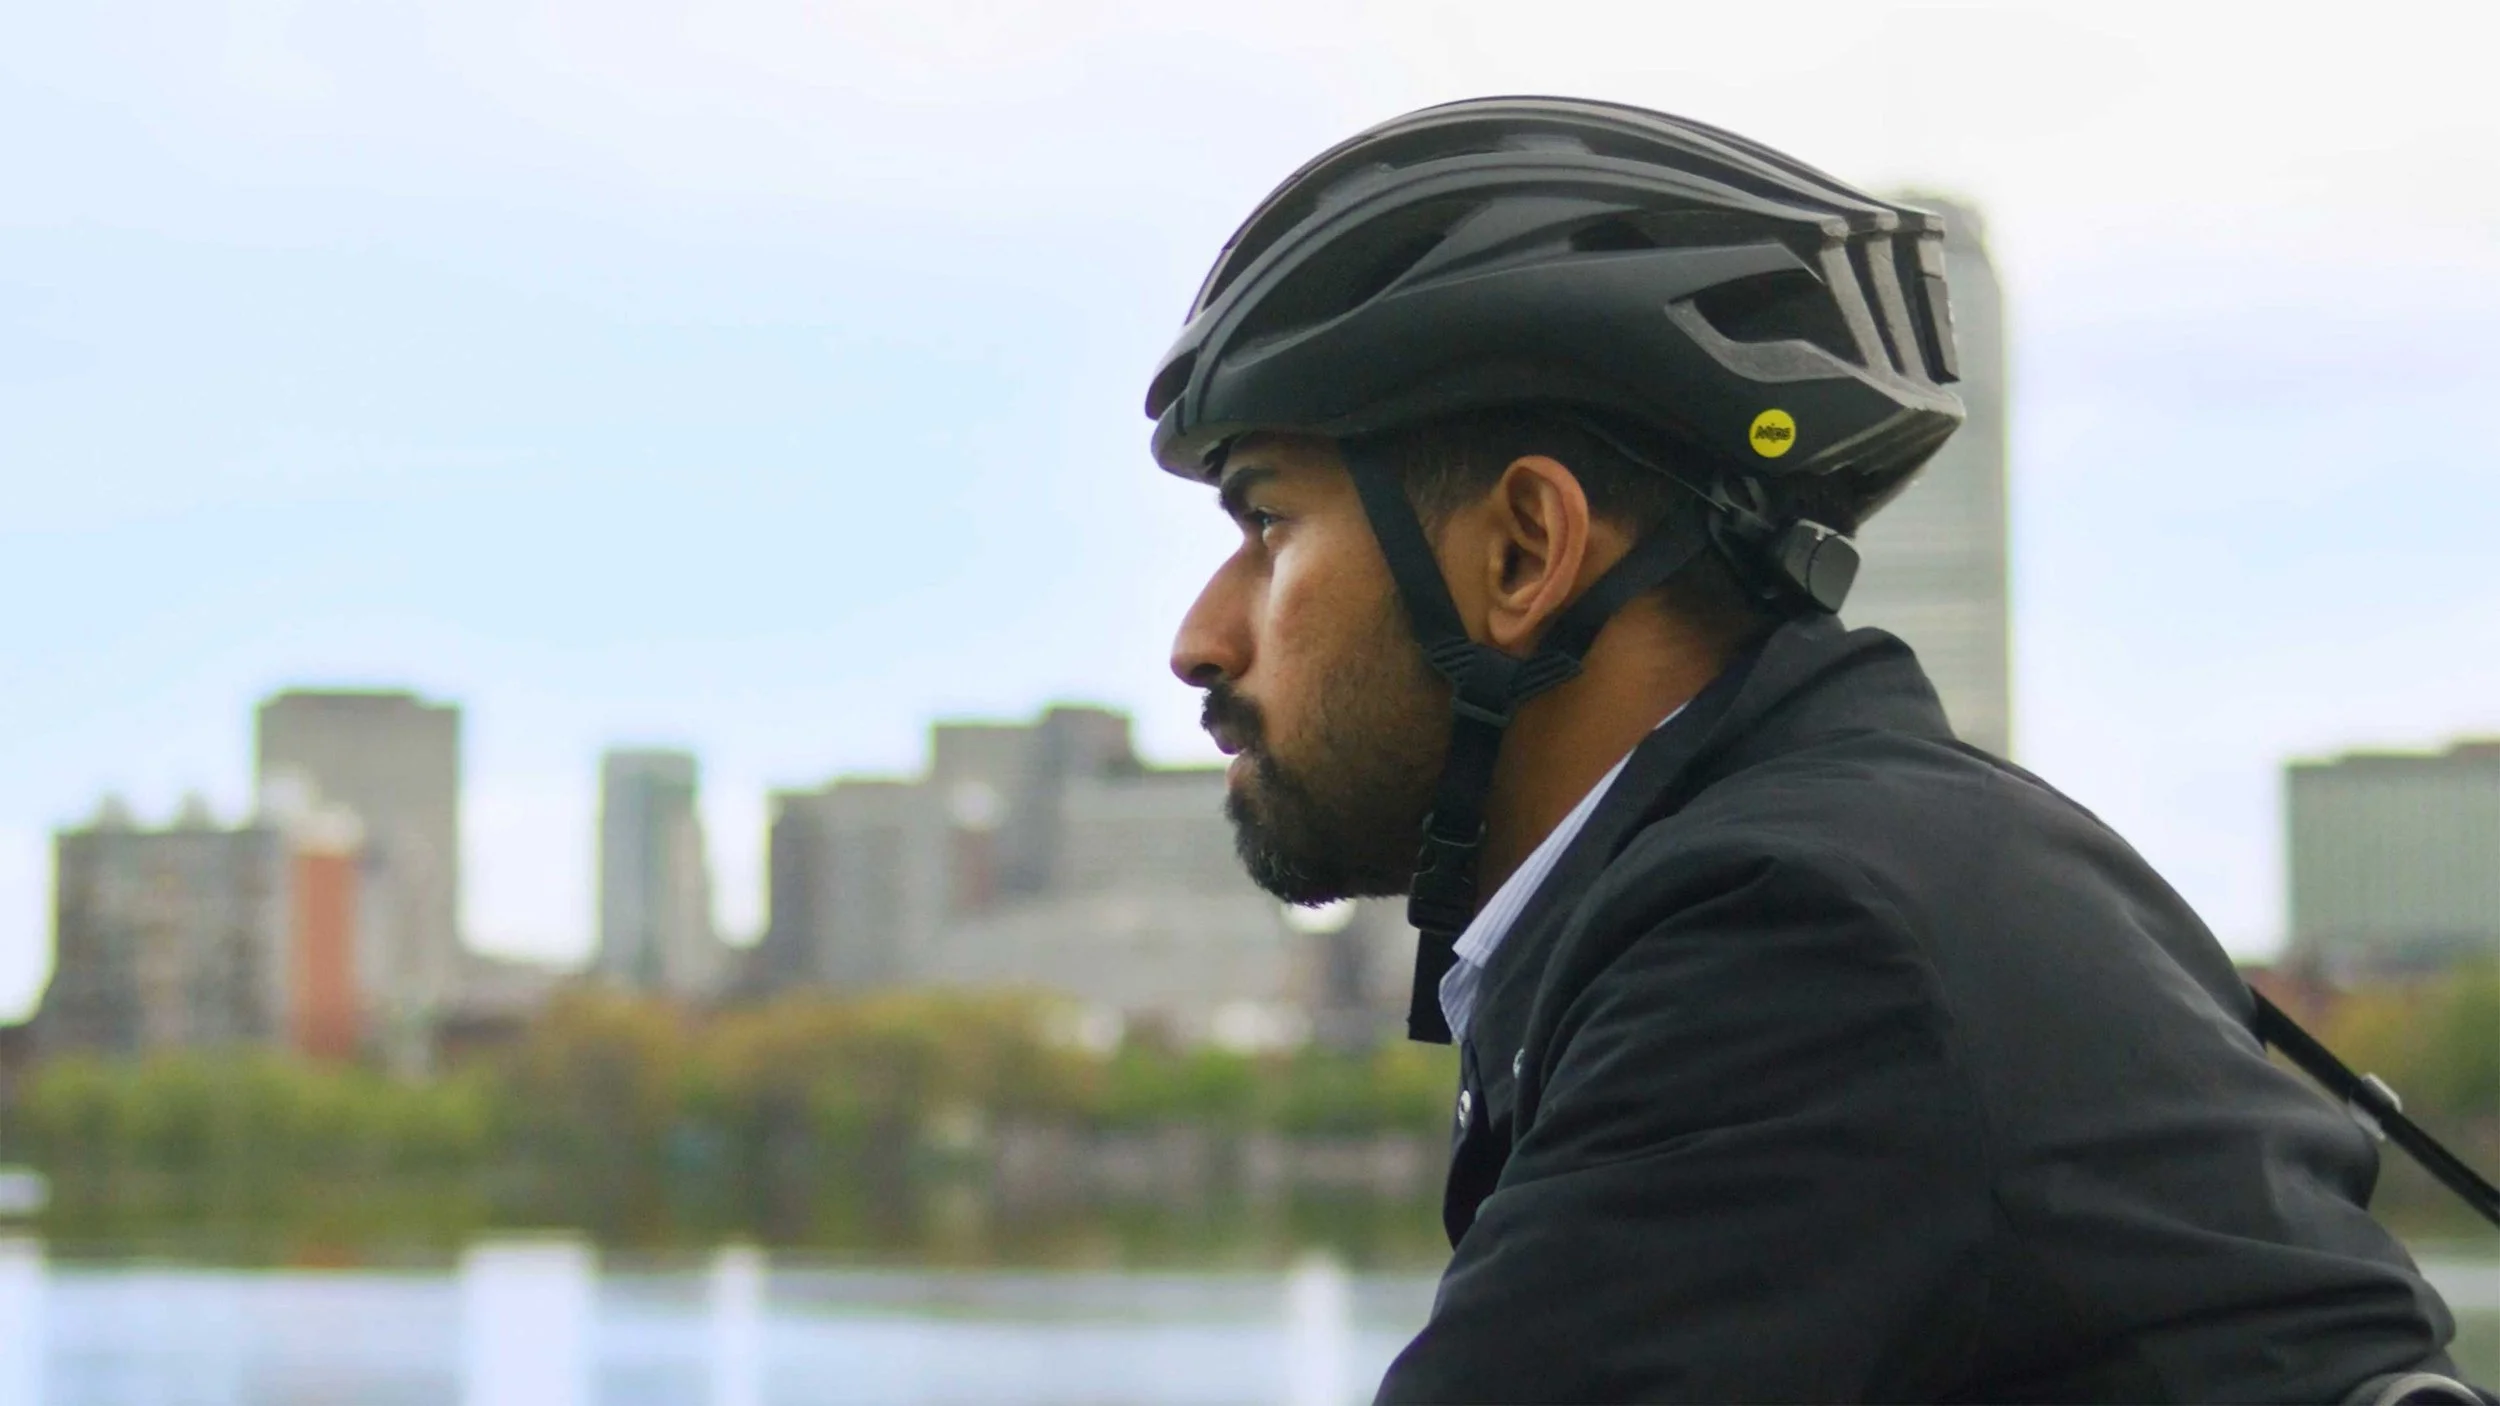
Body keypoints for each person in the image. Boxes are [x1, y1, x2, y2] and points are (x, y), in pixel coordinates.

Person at [1145, 97, 2488, 1404]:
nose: (1200, 639)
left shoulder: (1792, 957)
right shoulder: (1893, 862)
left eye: (1266, 525)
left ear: (1522, 551)